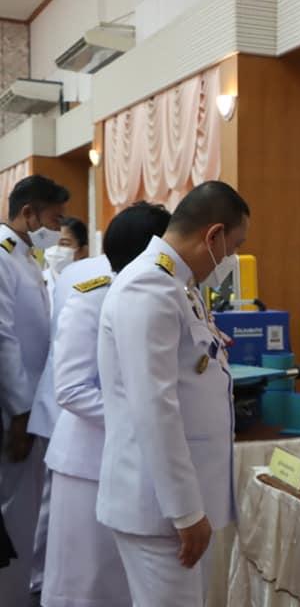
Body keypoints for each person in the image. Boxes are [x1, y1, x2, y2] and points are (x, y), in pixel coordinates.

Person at [97, 181, 248, 606]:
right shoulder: (149, 286)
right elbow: (155, 408)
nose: (231, 259)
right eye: (234, 246)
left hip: (178, 505)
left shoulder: (179, 286)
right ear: (213, 235)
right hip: (160, 509)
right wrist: (185, 511)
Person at [42, 202, 171, 607]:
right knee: (85, 583)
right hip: (88, 462)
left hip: (133, 462)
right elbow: (71, 388)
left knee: (123, 585)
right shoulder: (93, 298)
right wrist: (139, 418)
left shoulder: (163, 298)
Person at [0, 175, 69, 605]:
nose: (58, 228)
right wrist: (21, 411)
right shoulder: (2, 257)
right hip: (13, 412)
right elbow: (3, 339)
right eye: (54, 218)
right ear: (28, 213)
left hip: (29, 408)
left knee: (24, 513)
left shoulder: (24, 256)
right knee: (12, 514)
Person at [27, 215, 89, 598]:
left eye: (65, 243)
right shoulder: (38, 278)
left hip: (65, 404)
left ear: (82, 250)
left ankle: (42, 576)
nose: (56, 250)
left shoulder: (86, 284)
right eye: (55, 242)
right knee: (39, 498)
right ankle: (34, 575)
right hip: (42, 402)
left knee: (53, 500)